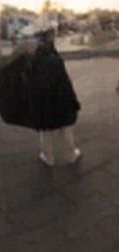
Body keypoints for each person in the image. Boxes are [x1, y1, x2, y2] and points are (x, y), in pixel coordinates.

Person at [30, 29, 81, 166]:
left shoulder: (35, 60)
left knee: (45, 129)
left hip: (43, 100)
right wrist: (73, 100)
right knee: (65, 127)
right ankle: (71, 155)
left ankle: (48, 157)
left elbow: (32, 83)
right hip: (60, 98)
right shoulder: (56, 59)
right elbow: (65, 82)